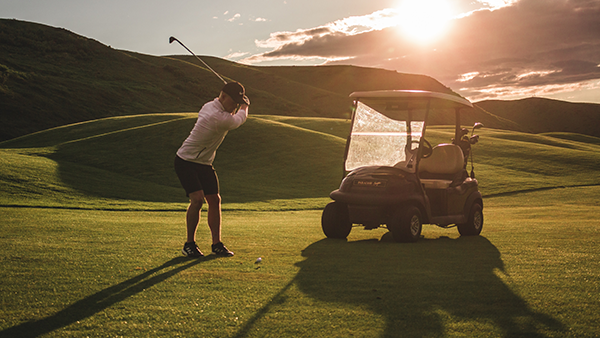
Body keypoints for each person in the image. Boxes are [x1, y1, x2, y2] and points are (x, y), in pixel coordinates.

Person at [174, 81, 250, 257]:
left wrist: (238, 101)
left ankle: (216, 244)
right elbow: (238, 120)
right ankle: (189, 244)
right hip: (186, 161)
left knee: (215, 200)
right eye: (234, 101)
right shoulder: (217, 117)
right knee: (198, 200)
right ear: (223, 96)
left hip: (204, 163)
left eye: (238, 103)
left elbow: (231, 112)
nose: (236, 105)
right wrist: (246, 106)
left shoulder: (210, 105)